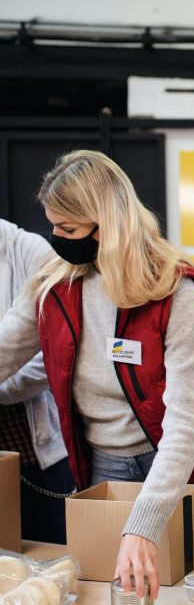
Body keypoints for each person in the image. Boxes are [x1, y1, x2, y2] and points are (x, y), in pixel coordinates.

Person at [0, 150, 194, 598]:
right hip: (105, 466)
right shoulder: (52, 286)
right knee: (118, 601)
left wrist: (144, 525)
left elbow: (187, 421)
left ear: (106, 223)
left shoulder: (173, 289)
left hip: (181, 464)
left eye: (67, 229)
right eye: (52, 225)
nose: (54, 239)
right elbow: (3, 350)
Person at [0, 219, 75, 544]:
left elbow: (56, 354)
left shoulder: (31, 251)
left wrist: (4, 389)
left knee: (49, 553)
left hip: (31, 445)